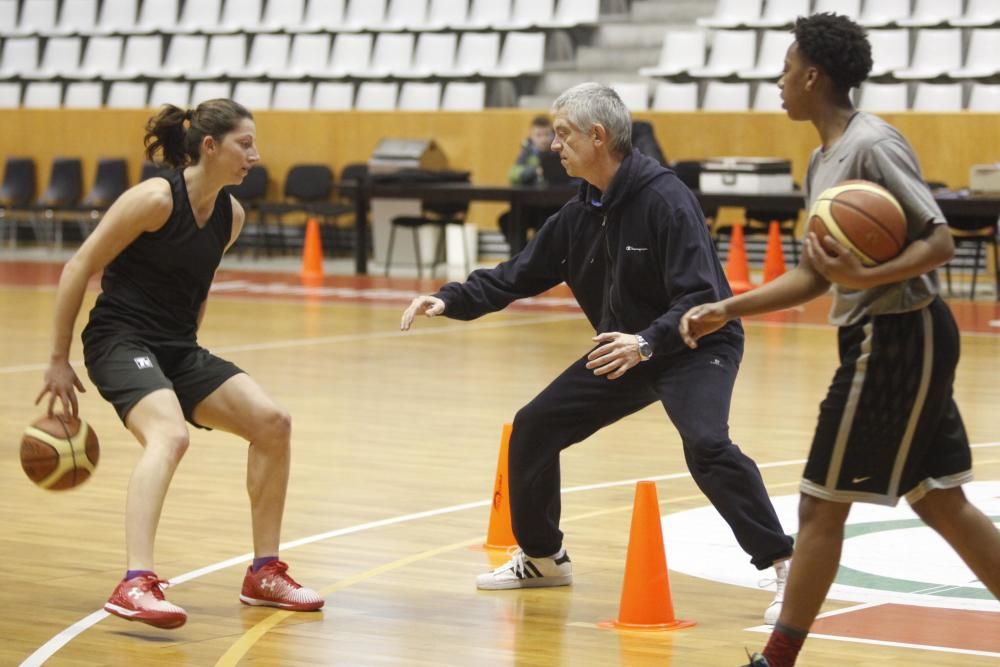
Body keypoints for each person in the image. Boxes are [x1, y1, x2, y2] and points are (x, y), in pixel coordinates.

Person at [675, 15, 1000, 667]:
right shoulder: (824, 161)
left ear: (814, 76)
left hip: (897, 332)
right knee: (940, 500)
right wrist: (727, 307)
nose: (780, 80)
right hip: (882, 333)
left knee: (820, 502)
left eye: (787, 69)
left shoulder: (871, 144)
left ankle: (777, 659)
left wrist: (868, 275)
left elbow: (937, 238)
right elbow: (812, 275)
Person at [402, 83, 793, 621]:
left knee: (706, 443)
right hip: (623, 349)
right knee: (535, 427)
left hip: (696, 341)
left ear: (598, 136)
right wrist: (447, 299)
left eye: (562, 135)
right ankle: (543, 559)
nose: (552, 146)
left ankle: (783, 565)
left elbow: (701, 295)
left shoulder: (666, 198)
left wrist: (647, 342)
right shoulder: (579, 212)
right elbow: (517, 274)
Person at [36, 99, 323, 630]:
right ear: (209, 147)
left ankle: (264, 573)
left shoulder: (230, 215)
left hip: (177, 345)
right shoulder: (152, 199)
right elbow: (80, 265)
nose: (255, 156)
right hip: (119, 339)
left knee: (273, 423)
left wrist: (188, 358)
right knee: (170, 435)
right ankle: (135, 583)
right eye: (245, 144)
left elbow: (198, 288)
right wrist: (57, 358)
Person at [497, 115, 566, 247]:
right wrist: (535, 171)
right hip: (531, 205)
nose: (543, 139)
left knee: (545, 222)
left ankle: (534, 255)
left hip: (555, 207)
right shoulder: (527, 152)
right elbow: (513, 174)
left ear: (553, 135)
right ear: (532, 136)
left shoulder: (560, 152)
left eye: (547, 134)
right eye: (538, 135)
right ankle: (523, 255)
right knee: (508, 220)